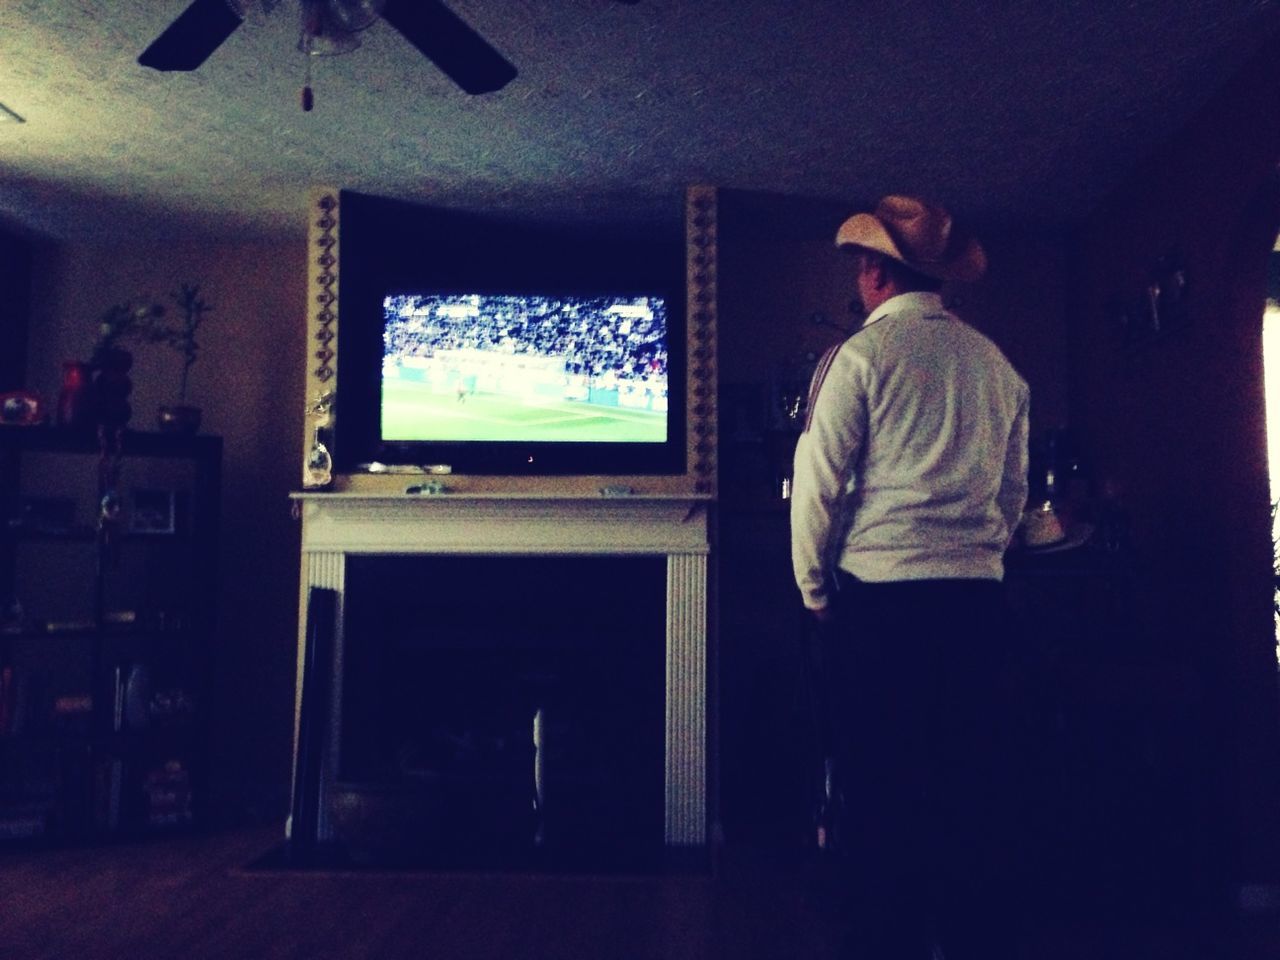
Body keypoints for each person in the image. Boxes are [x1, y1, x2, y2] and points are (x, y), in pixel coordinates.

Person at [790, 195, 1030, 960]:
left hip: (883, 606)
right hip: (976, 604)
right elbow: (1014, 496)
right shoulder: (998, 366)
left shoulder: (857, 359)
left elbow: (817, 489)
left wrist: (816, 593)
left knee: (878, 796)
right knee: (970, 794)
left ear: (872, 273)